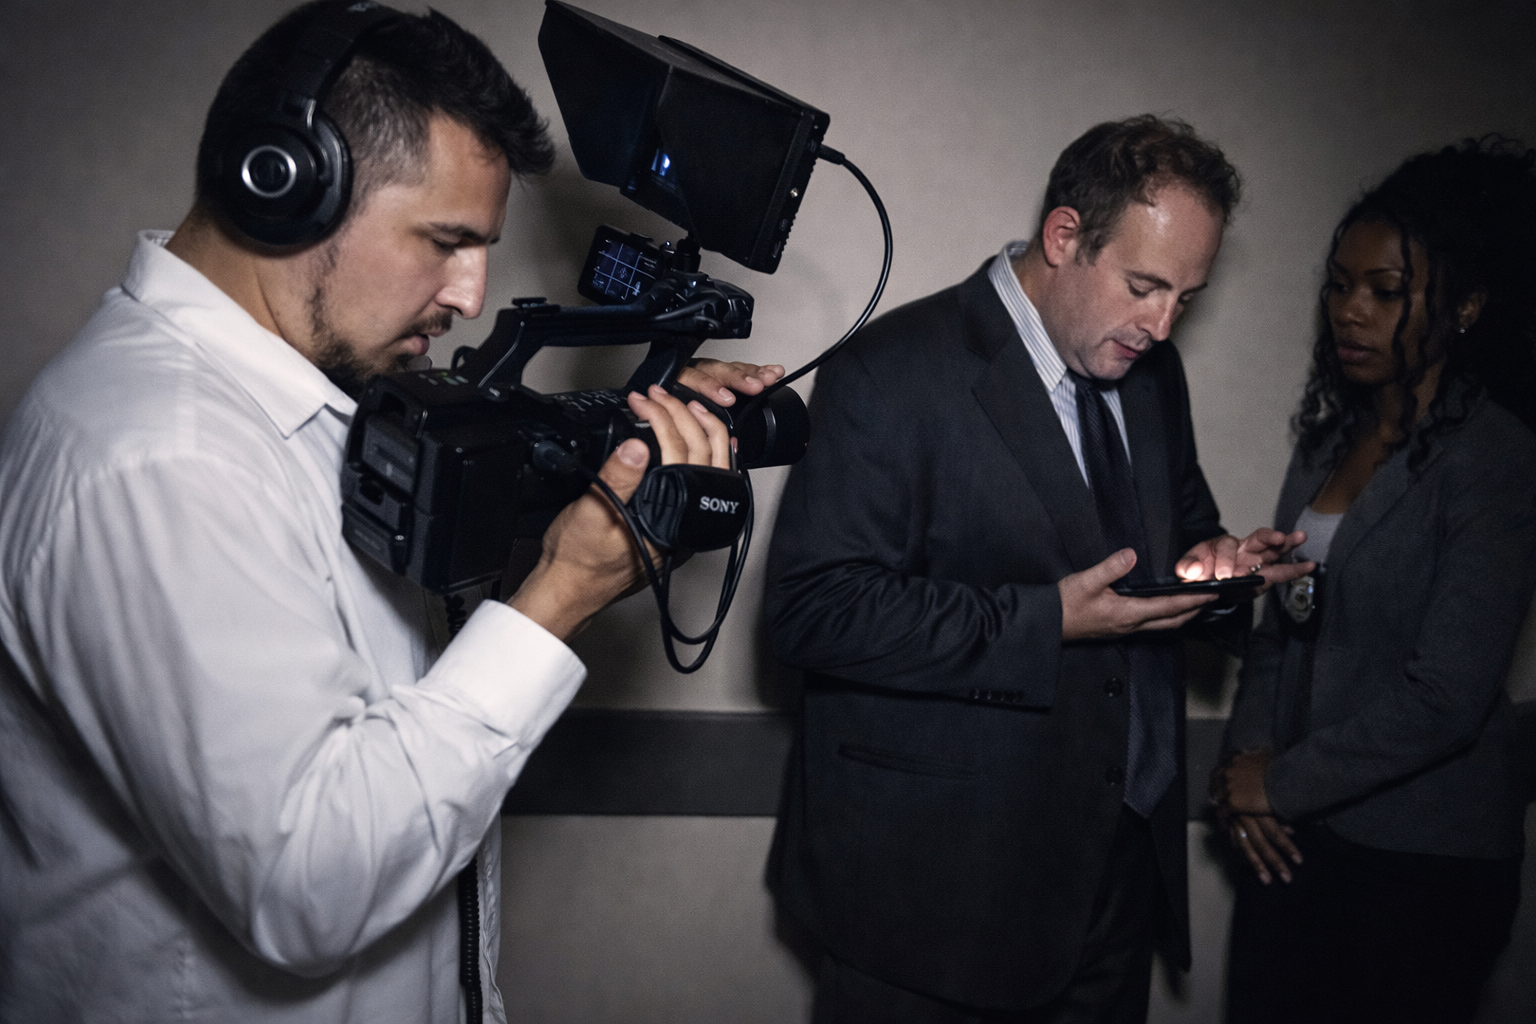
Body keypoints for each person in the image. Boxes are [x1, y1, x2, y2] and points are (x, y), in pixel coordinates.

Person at [0, 3, 781, 1022]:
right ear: (284, 185)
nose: (470, 293)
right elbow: (307, 885)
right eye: (446, 241)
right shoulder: (161, 459)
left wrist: (620, 426)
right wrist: (562, 593)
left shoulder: (293, 396)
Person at [764, 115, 1310, 1023]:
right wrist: (1044, 620)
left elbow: (1181, 532)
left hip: (1117, 884)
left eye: (1187, 298)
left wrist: (1217, 567)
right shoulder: (890, 370)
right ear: (1065, 237)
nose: (1164, 325)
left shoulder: (1153, 375)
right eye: (1144, 286)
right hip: (932, 907)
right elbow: (811, 611)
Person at [1212, 139, 1536, 1024]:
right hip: (1297, 838)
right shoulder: (1326, 442)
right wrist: (1243, 773)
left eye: (1386, 293)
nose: (1350, 312)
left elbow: (1448, 696)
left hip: (1424, 858)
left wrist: (1280, 782)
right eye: (1339, 284)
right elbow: (1278, 633)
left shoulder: (1496, 459)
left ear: (1465, 306)